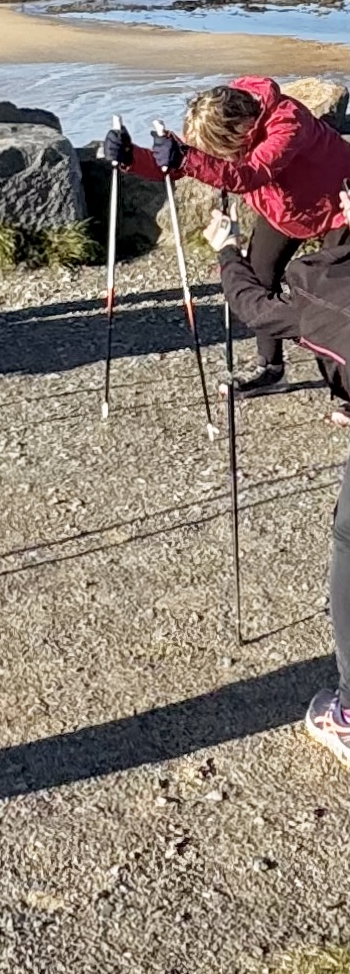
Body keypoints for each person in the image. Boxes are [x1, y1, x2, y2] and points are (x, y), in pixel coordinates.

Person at [203, 198, 350, 770]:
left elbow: (256, 310)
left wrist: (226, 250)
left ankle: (347, 715)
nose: (341, 196)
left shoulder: (327, 288)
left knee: (349, 547)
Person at [105, 79, 350, 403]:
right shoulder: (223, 114)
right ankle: (270, 367)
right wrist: (133, 157)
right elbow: (187, 164)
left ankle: (345, 390)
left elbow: (250, 173)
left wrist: (188, 159)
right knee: (257, 281)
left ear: (243, 131)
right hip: (282, 210)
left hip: (340, 204)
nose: (221, 157)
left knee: (331, 299)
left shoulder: (287, 122)